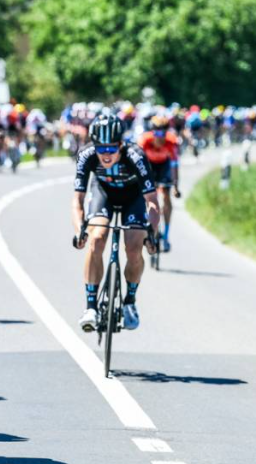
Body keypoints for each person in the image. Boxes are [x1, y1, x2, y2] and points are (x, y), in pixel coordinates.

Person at [72, 114, 159, 332]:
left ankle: (129, 301)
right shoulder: (86, 155)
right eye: (102, 149)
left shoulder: (136, 156)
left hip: (134, 197)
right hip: (104, 194)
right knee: (97, 238)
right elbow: (78, 201)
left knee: (133, 247)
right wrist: (80, 231)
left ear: (121, 144)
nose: (106, 154)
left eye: (112, 149)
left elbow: (152, 203)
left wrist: (152, 233)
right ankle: (90, 307)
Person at [138, 115, 181, 252]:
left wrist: (175, 186)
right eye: (156, 133)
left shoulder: (171, 141)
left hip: (164, 167)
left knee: (166, 197)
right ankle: (148, 225)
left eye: (162, 133)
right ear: (152, 132)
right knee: (145, 196)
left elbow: (174, 165)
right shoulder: (144, 140)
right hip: (149, 166)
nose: (159, 137)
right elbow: (137, 164)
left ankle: (166, 236)